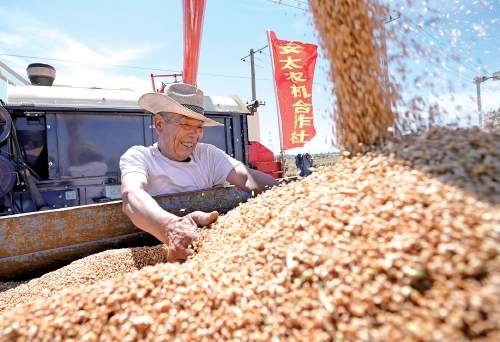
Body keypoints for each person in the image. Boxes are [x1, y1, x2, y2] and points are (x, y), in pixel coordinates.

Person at [120, 83, 277, 262]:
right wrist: (170, 228)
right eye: (186, 124)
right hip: (158, 254)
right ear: (159, 124)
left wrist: (290, 192)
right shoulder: (140, 157)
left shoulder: (207, 155)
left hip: (209, 254)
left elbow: (247, 177)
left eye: (199, 127)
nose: (195, 134)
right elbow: (132, 195)